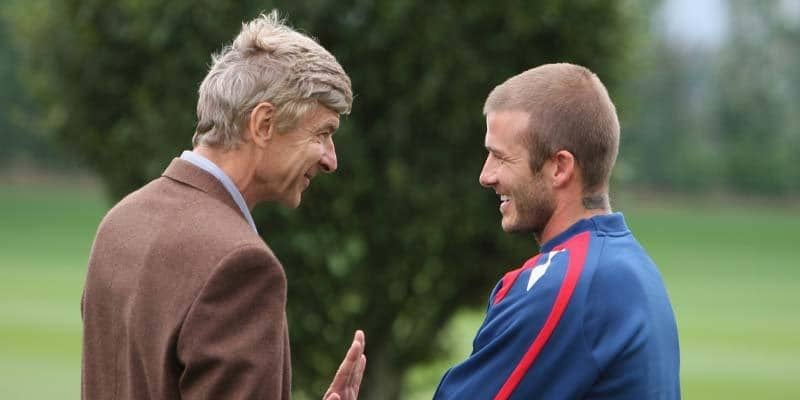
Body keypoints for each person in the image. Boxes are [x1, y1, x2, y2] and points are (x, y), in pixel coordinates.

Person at [81, 11, 365, 400]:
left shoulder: (121, 222)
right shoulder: (242, 265)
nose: (331, 160)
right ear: (264, 124)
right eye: (322, 133)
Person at [434, 63, 680, 399]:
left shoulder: (568, 284)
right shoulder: (632, 266)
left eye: (500, 157)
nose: (486, 176)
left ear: (560, 168)